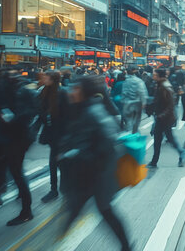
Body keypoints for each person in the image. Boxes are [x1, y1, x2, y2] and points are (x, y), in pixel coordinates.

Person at [58, 76, 131, 251]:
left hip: (95, 175)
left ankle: (127, 247)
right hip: (91, 173)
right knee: (91, 210)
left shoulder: (91, 112)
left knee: (102, 211)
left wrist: (71, 155)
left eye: (75, 88)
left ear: (83, 91)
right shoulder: (87, 108)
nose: (71, 91)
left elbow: (103, 144)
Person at [0, 69, 38, 226]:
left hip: (18, 139)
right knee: (8, 169)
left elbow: (28, 113)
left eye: (14, 74)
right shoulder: (13, 91)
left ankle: (26, 211)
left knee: (17, 173)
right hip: (12, 138)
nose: (12, 77)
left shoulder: (21, 92)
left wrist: (12, 119)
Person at [38, 71, 70, 203]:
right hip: (51, 133)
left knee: (59, 163)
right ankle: (55, 189)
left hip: (61, 134)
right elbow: (40, 111)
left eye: (46, 77)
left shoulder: (62, 93)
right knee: (54, 162)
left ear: (53, 79)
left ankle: (61, 188)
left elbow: (67, 115)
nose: (44, 78)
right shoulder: (44, 92)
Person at [148, 68, 185, 167]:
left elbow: (171, 105)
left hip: (165, 118)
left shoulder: (166, 87)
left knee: (166, 138)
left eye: (155, 75)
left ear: (160, 76)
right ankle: (154, 161)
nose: (153, 77)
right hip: (161, 117)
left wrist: (161, 115)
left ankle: (182, 153)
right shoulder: (160, 85)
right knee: (160, 139)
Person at [121, 67, 148, 134]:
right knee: (136, 121)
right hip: (136, 103)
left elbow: (123, 92)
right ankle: (134, 134)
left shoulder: (125, 81)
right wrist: (144, 102)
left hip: (126, 104)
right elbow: (142, 92)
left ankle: (130, 134)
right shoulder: (138, 81)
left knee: (129, 121)